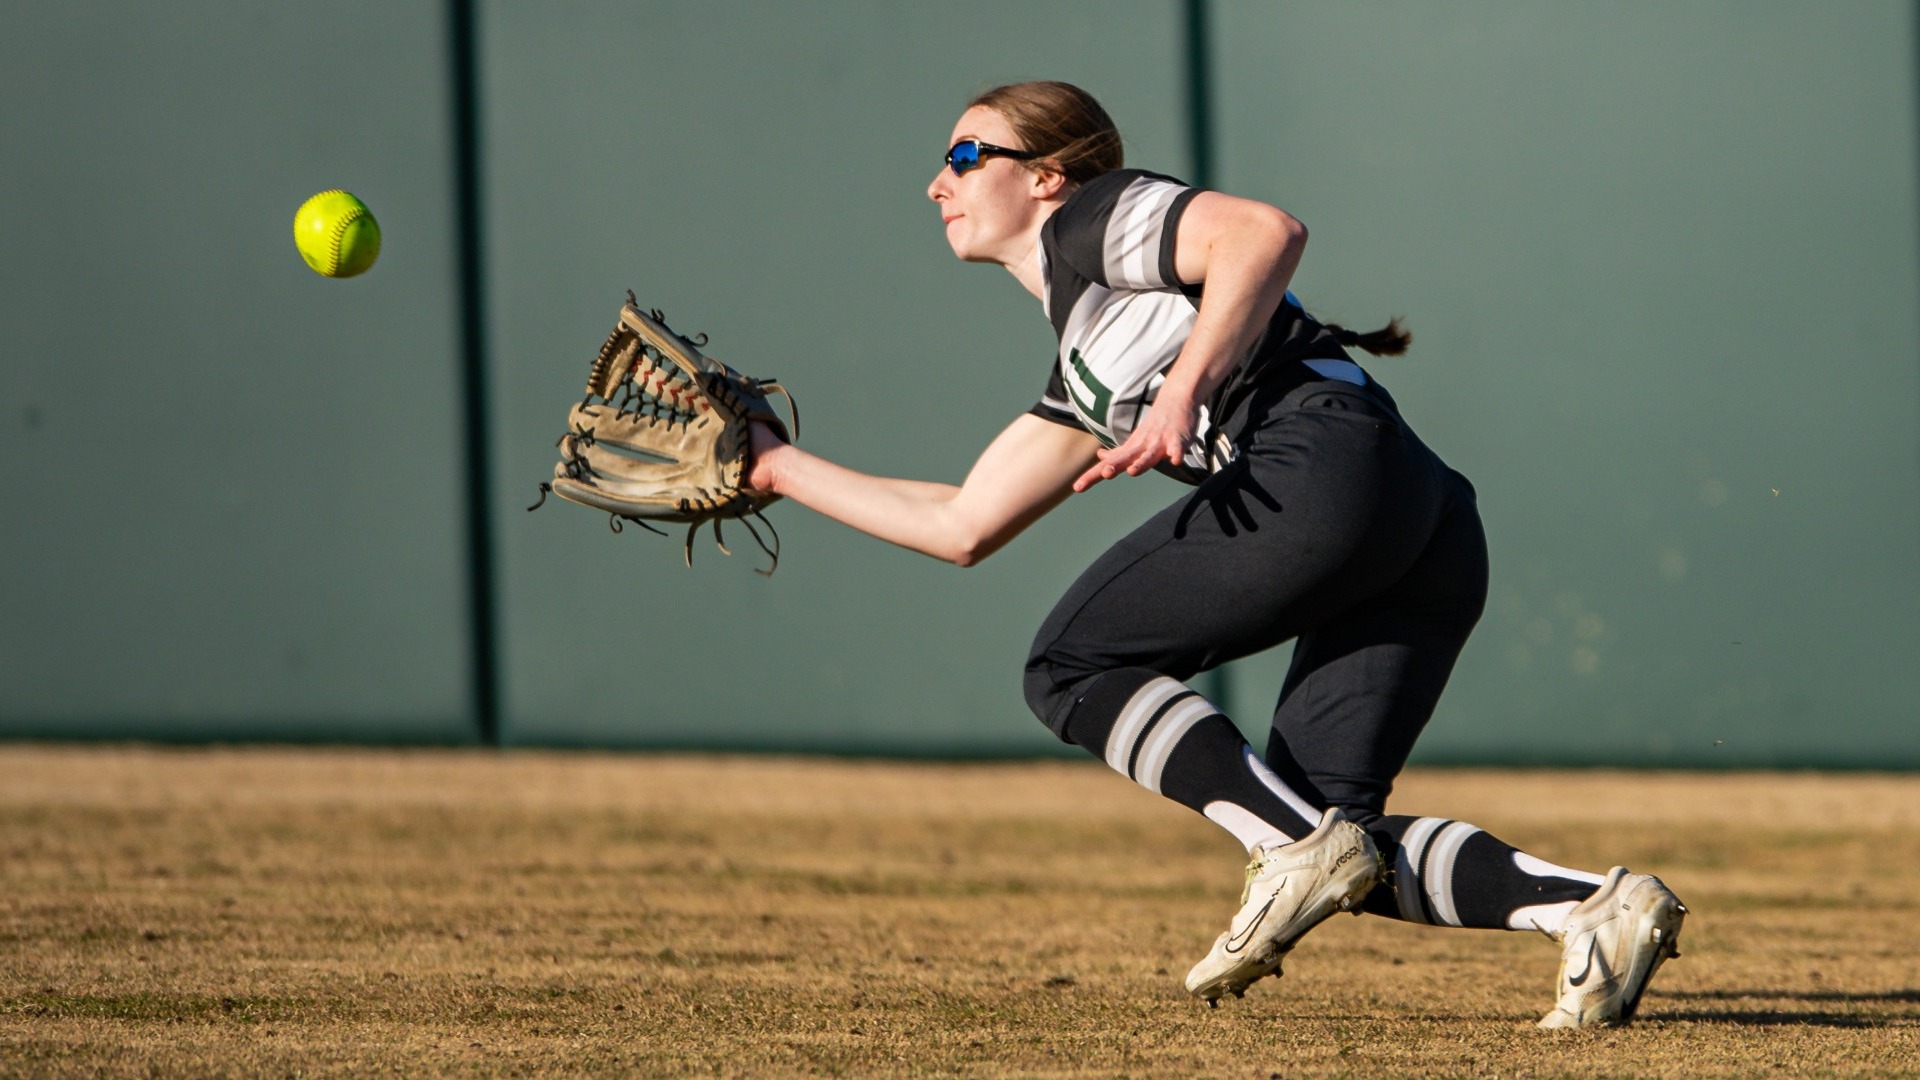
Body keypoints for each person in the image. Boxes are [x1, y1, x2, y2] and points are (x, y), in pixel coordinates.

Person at [744, 80, 1685, 1028]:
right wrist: (776, 468)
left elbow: (1264, 232)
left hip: (1324, 463)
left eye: (963, 156)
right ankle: (1593, 909)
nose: (937, 183)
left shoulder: (1089, 220)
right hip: (1422, 512)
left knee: (1068, 666)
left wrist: (1182, 390)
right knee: (1332, 831)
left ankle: (1292, 852)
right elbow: (962, 524)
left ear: (1047, 176)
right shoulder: (1088, 362)